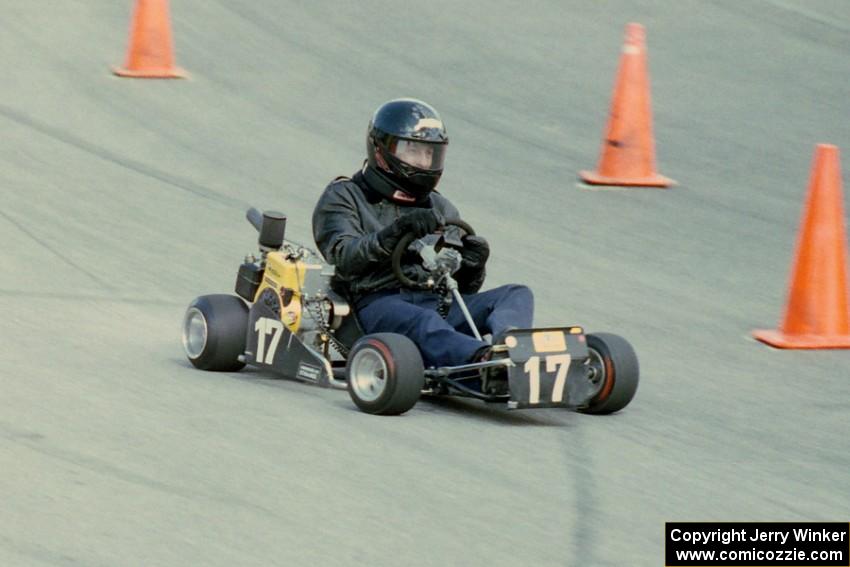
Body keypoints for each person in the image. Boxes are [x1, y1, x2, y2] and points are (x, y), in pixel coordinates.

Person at [312, 98, 533, 369]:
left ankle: (513, 350)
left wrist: (472, 267)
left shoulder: (439, 206)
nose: (424, 162)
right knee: (424, 322)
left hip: (434, 303)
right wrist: (392, 236)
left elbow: (458, 287)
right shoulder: (345, 195)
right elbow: (343, 256)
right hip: (375, 304)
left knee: (516, 294)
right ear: (381, 150)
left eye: (430, 154)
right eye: (414, 151)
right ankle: (484, 362)